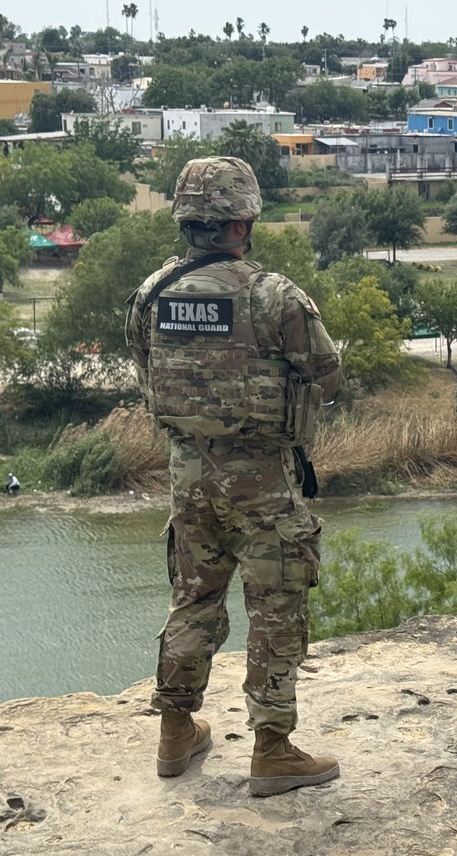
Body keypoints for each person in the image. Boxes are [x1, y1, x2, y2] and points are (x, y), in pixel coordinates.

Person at [125, 157, 342, 797]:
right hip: (264, 483)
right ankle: (272, 750)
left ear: (185, 218)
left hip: (187, 475)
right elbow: (327, 375)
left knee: (193, 597)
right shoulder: (273, 295)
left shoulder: (151, 293)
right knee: (276, 605)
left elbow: (145, 369)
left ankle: (174, 733)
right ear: (244, 220)